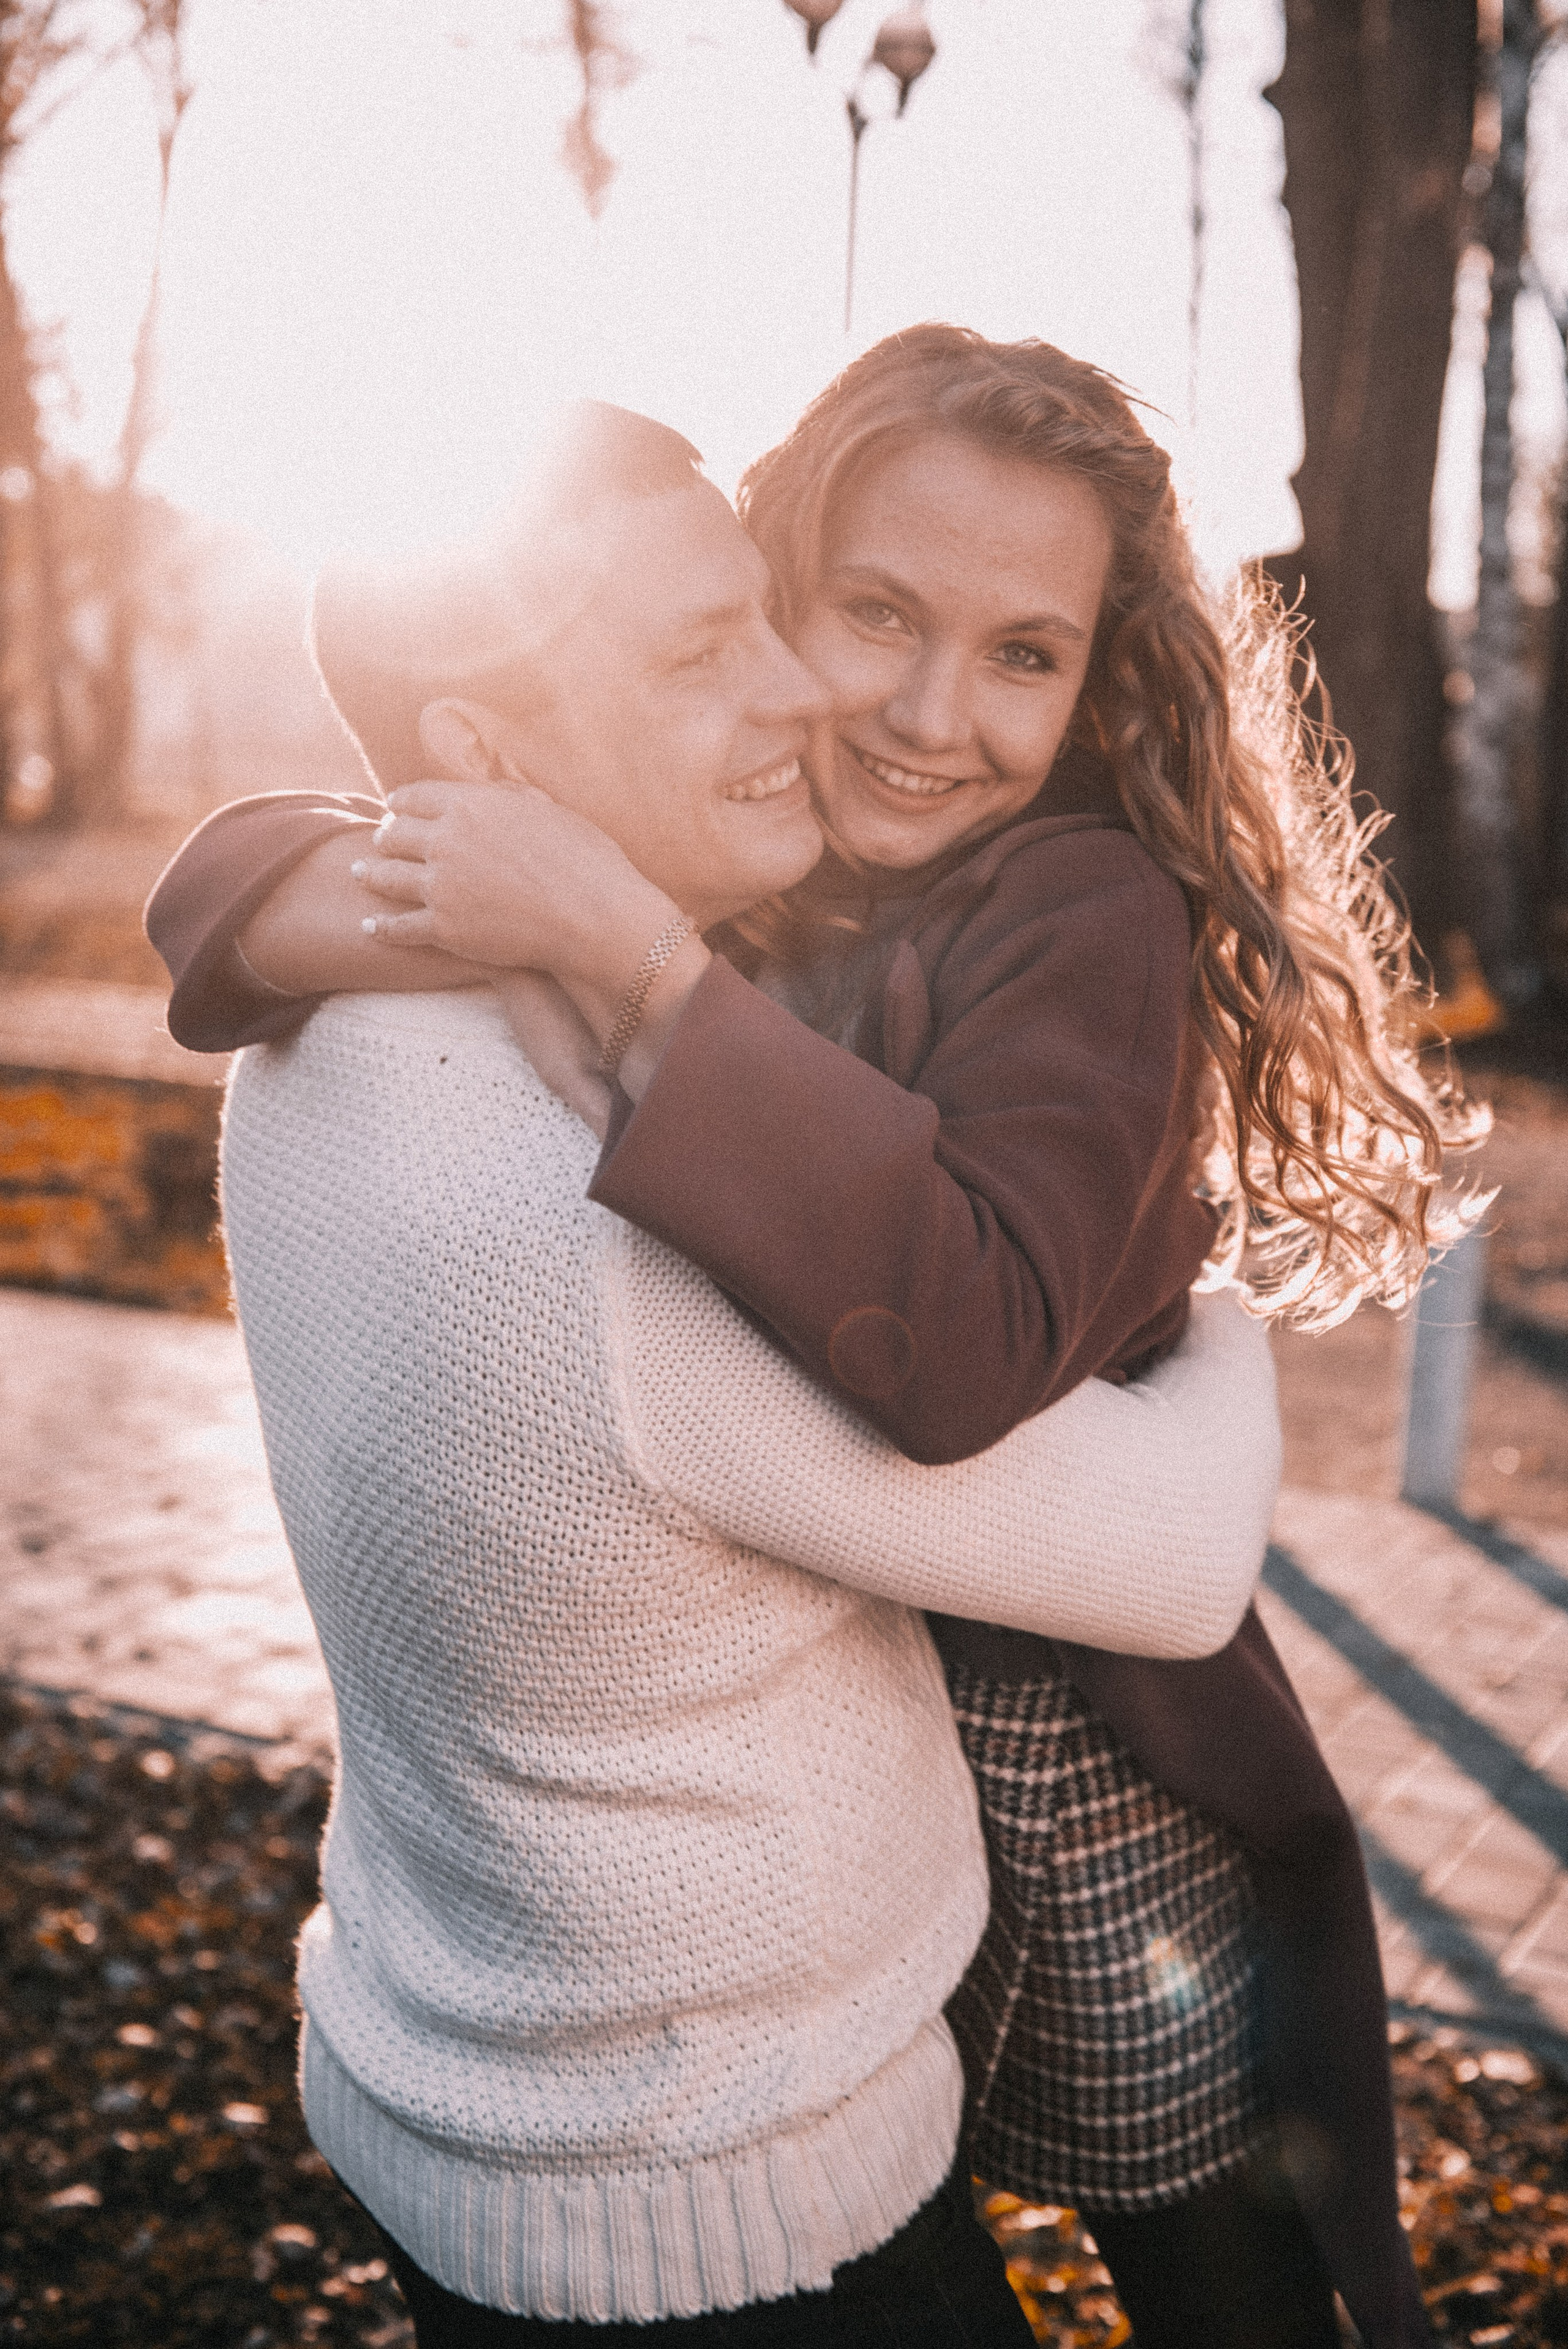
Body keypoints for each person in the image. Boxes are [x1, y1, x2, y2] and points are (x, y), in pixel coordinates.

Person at [149, 398, 1282, 2347]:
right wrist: (1242, 1327)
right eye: (718, 647)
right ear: (490, 769)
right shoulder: (595, 1237)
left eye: (764, 614)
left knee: (1220, 2254)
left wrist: (590, 931)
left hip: (484, 2051)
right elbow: (1175, 1550)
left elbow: (243, 888)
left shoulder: (339, 1040)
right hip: (716, 2182)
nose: (832, 706)